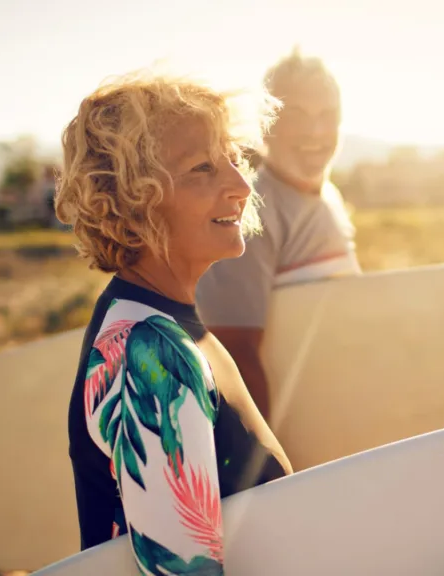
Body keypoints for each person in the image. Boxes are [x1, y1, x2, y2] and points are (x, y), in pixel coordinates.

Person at [55, 68, 293, 574]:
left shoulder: (165, 324)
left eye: (233, 158)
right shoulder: (152, 352)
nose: (239, 184)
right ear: (133, 200)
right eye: (202, 168)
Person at [195, 48, 362, 421]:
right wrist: (270, 472)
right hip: (297, 446)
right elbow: (232, 355)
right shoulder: (249, 211)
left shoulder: (328, 196)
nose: (315, 132)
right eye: (296, 115)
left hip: (343, 423)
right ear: (265, 122)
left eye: (327, 116)